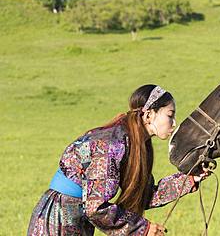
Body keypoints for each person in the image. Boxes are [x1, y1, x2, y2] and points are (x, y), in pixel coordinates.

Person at [27, 84, 209, 236]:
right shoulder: (111, 143)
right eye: (170, 115)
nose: (174, 122)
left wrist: (191, 178)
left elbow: (144, 195)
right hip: (58, 219)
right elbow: (95, 207)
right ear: (148, 115)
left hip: (77, 218)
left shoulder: (137, 145)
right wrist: (143, 229)